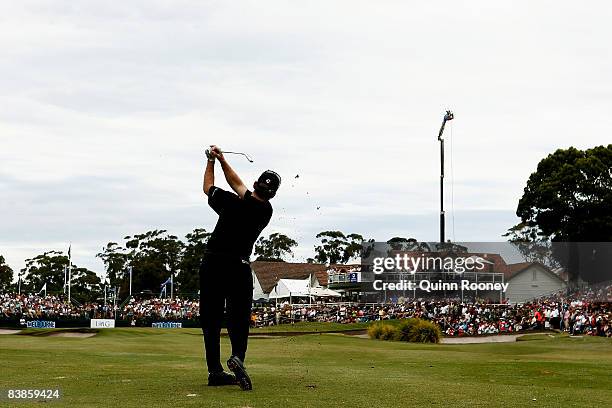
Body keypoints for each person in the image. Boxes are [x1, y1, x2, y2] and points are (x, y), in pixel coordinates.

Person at [200, 145, 280, 391]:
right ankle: (238, 357)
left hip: (212, 262)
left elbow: (209, 188)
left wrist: (214, 161)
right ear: (272, 193)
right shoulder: (264, 211)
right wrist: (222, 160)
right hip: (238, 265)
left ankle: (214, 371)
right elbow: (237, 184)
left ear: (255, 184)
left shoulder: (228, 202)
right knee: (239, 317)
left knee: (211, 320)